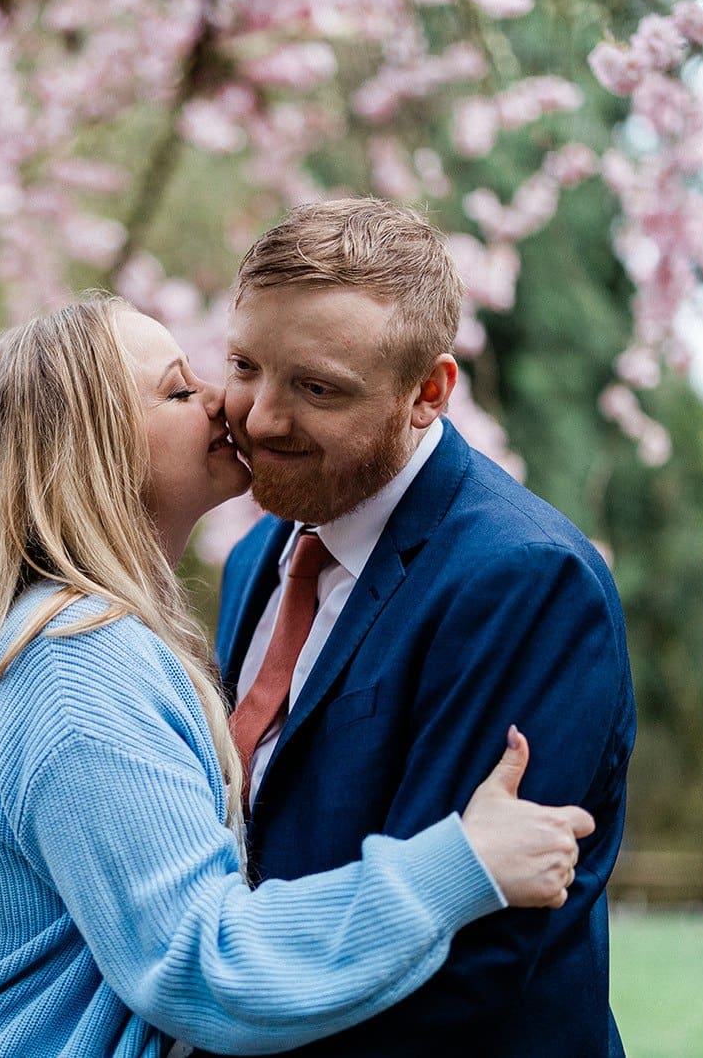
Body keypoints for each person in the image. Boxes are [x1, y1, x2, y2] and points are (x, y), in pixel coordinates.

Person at [0, 295, 596, 1057]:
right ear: (95, 451)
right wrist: (462, 863)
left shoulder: (95, 640)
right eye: (180, 391)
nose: (225, 402)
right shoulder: (74, 666)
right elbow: (201, 962)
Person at [212, 199, 637, 1058]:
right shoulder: (257, 556)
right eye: (247, 366)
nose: (260, 417)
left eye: (317, 387)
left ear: (430, 393)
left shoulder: (525, 581)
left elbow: (466, 960)